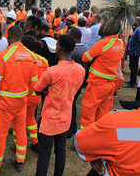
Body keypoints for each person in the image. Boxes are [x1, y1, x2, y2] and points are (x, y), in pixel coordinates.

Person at [74, 39, 140, 176]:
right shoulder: (119, 42)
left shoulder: (119, 124)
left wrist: (98, 154)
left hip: (98, 84)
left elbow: (80, 143)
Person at [35, 35, 85, 176]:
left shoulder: (51, 72)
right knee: (60, 150)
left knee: (44, 154)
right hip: (65, 117)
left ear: (59, 48)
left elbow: (37, 89)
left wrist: (47, 89)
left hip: (49, 120)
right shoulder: (80, 69)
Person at [0, 26, 38, 173]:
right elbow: (34, 83)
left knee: (0, 135)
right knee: (20, 131)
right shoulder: (31, 56)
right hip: (22, 102)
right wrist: (24, 96)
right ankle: (20, 160)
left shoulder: (4, 56)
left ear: (9, 37)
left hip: (5, 104)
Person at [80, 19, 124, 128]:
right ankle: (102, 135)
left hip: (97, 83)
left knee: (88, 112)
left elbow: (86, 57)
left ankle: (86, 137)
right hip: (110, 84)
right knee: (104, 113)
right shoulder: (120, 43)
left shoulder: (103, 43)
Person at [19, 35, 48, 152]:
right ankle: (36, 142)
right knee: (30, 119)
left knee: (20, 122)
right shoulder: (44, 60)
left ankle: (20, 146)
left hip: (24, 95)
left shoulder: (24, 60)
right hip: (36, 95)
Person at [67, 28, 89, 138]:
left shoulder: (72, 50)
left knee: (70, 105)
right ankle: (72, 127)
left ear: (74, 37)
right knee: (72, 103)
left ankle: (70, 129)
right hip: (82, 81)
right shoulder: (86, 48)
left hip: (73, 81)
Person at [123, 17, 140, 88]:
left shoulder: (139, 29)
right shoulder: (139, 29)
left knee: (134, 67)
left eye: (136, 20)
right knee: (132, 67)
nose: (134, 21)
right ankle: (131, 80)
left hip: (136, 52)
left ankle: (132, 83)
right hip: (134, 51)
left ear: (138, 21)